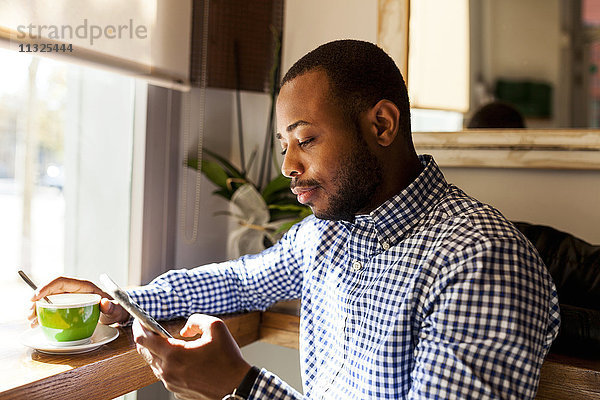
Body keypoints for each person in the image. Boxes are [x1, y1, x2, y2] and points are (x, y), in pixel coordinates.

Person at [30, 40, 560, 399]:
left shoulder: (481, 259)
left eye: (305, 140)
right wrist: (120, 301)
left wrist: (242, 385)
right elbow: (240, 280)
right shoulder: (326, 233)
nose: (287, 167)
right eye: (285, 145)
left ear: (381, 124)